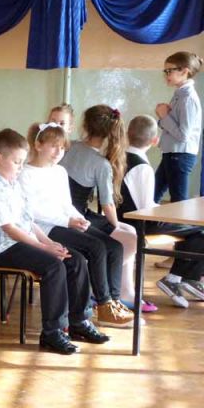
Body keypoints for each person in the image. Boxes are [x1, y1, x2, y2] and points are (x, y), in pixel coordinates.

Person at [0, 128, 109, 354]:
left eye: (21, 162)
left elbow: (28, 221)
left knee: (75, 259)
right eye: (17, 162)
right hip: (4, 248)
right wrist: (44, 248)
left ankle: (78, 321)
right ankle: (52, 333)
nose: (20, 167)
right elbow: (10, 229)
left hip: (23, 242)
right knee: (53, 266)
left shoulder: (12, 185)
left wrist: (49, 243)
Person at [20, 122, 133, 328]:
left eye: (62, 147)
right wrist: (67, 221)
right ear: (38, 145)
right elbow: (32, 211)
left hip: (64, 223)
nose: (58, 152)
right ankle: (103, 304)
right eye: (53, 146)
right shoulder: (25, 173)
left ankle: (113, 300)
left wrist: (79, 218)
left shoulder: (60, 172)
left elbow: (66, 204)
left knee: (114, 247)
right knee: (96, 247)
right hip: (44, 229)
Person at [60, 105, 153, 312]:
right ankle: (104, 288)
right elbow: (107, 204)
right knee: (130, 238)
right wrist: (115, 225)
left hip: (70, 211)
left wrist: (117, 226)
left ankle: (123, 290)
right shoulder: (100, 163)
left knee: (130, 233)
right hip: (76, 215)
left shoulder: (69, 146)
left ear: (85, 126)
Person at [119, 115, 204, 308]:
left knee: (195, 233)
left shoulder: (118, 157)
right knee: (199, 230)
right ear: (155, 141)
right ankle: (175, 279)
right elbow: (146, 208)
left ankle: (184, 278)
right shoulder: (142, 167)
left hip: (123, 218)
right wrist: (172, 212)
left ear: (127, 135)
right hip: (140, 223)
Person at [154, 51, 203, 202]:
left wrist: (164, 116)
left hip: (180, 154)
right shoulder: (180, 94)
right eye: (165, 71)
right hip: (172, 153)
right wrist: (163, 117)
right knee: (153, 195)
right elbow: (170, 124)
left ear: (184, 71)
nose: (166, 75)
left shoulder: (187, 98)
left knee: (179, 202)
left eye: (170, 71)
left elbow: (183, 135)